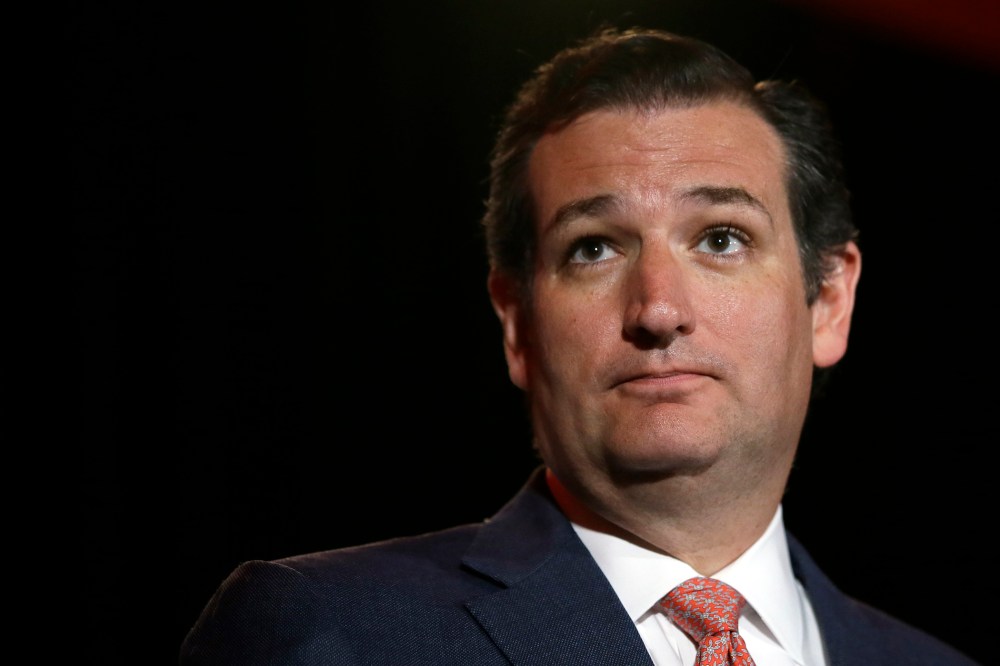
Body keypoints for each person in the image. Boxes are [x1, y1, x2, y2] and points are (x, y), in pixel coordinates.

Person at [179, 26, 979, 665]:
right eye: (594, 248)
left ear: (828, 302)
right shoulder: (327, 636)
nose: (659, 309)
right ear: (517, 324)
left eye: (723, 238)